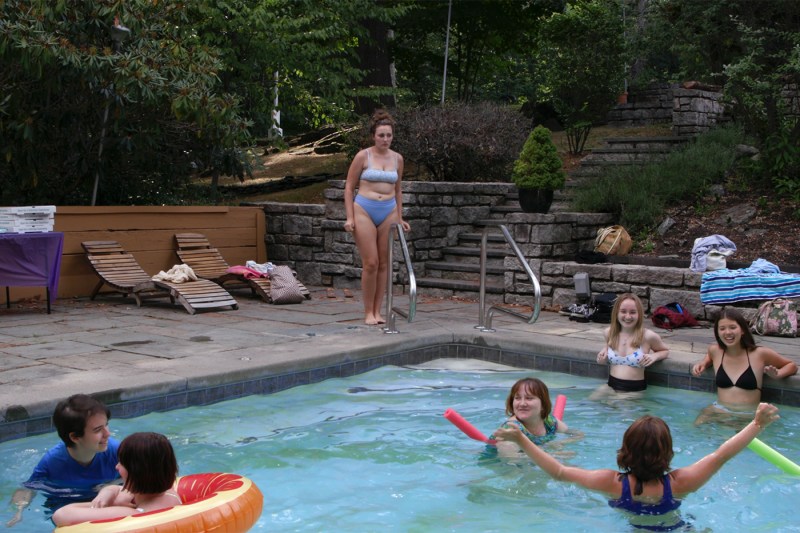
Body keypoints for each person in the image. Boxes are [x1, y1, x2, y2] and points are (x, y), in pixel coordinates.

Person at [495, 402, 780, 531]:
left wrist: (522, 437)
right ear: (668, 453)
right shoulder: (680, 483)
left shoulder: (612, 483)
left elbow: (558, 471)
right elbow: (721, 455)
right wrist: (757, 424)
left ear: (625, 451)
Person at [6, 394, 120, 527]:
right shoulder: (52, 462)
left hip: (106, 501)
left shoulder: (116, 451)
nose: (108, 433)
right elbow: (28, 488)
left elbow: (141, 476)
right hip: (68, 506)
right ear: (75, 437)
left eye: (106, 425)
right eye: (98, 430)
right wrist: (18, 511)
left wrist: (113, 485)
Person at [344, 109, 410, 325]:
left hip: (388, 210)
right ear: (374, 135)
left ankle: (378, 311)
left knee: (384, 264)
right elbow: (349, 187)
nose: (385, 139)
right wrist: (350, 217)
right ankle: (368, 312)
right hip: (364, 208)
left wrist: (400, 217)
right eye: (381, 135)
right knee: (371, 262)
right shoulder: (364, 156)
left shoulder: (398, 159)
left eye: (389, 135)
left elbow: (398, 190)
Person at [691, 307, 797, 424]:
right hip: (718, 412)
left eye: (733, 327)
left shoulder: (759, 354)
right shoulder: (715, 351)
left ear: (742, 330)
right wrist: (703, 363)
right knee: (693, 430)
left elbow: (791, 365)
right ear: (717, 332)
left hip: (748, 418)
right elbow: (710, 356)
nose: (728, 332)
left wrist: (778, 375)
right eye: (722, 328)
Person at [52, 432, 181, 527]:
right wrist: (107, 491)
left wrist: (107, 505)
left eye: (121, 463)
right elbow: (121, 489)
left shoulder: (130, 513)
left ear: (137, 472)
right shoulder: (169, 493)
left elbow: (61, 515)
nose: (116, 466)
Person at [591, 293, 670, 399]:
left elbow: (665, 351)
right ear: (616, 313)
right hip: (610, 386)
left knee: (617, 404)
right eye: (623, 311)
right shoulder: (609, 333)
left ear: (639, 314)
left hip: (634, 391)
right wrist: (603, 356)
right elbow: (608, 348)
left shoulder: (647, 336)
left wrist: (654, 356)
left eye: (633, 312)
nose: (628, 316)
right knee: (591, 401)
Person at [484, 377, 572, 459]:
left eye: (529, 398)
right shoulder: (511, 429)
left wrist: (559, 443)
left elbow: (576, 434)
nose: (522, 404)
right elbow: (510, 459)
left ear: (543, 404)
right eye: (517, 398)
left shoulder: (549, 421)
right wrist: (552, 455)